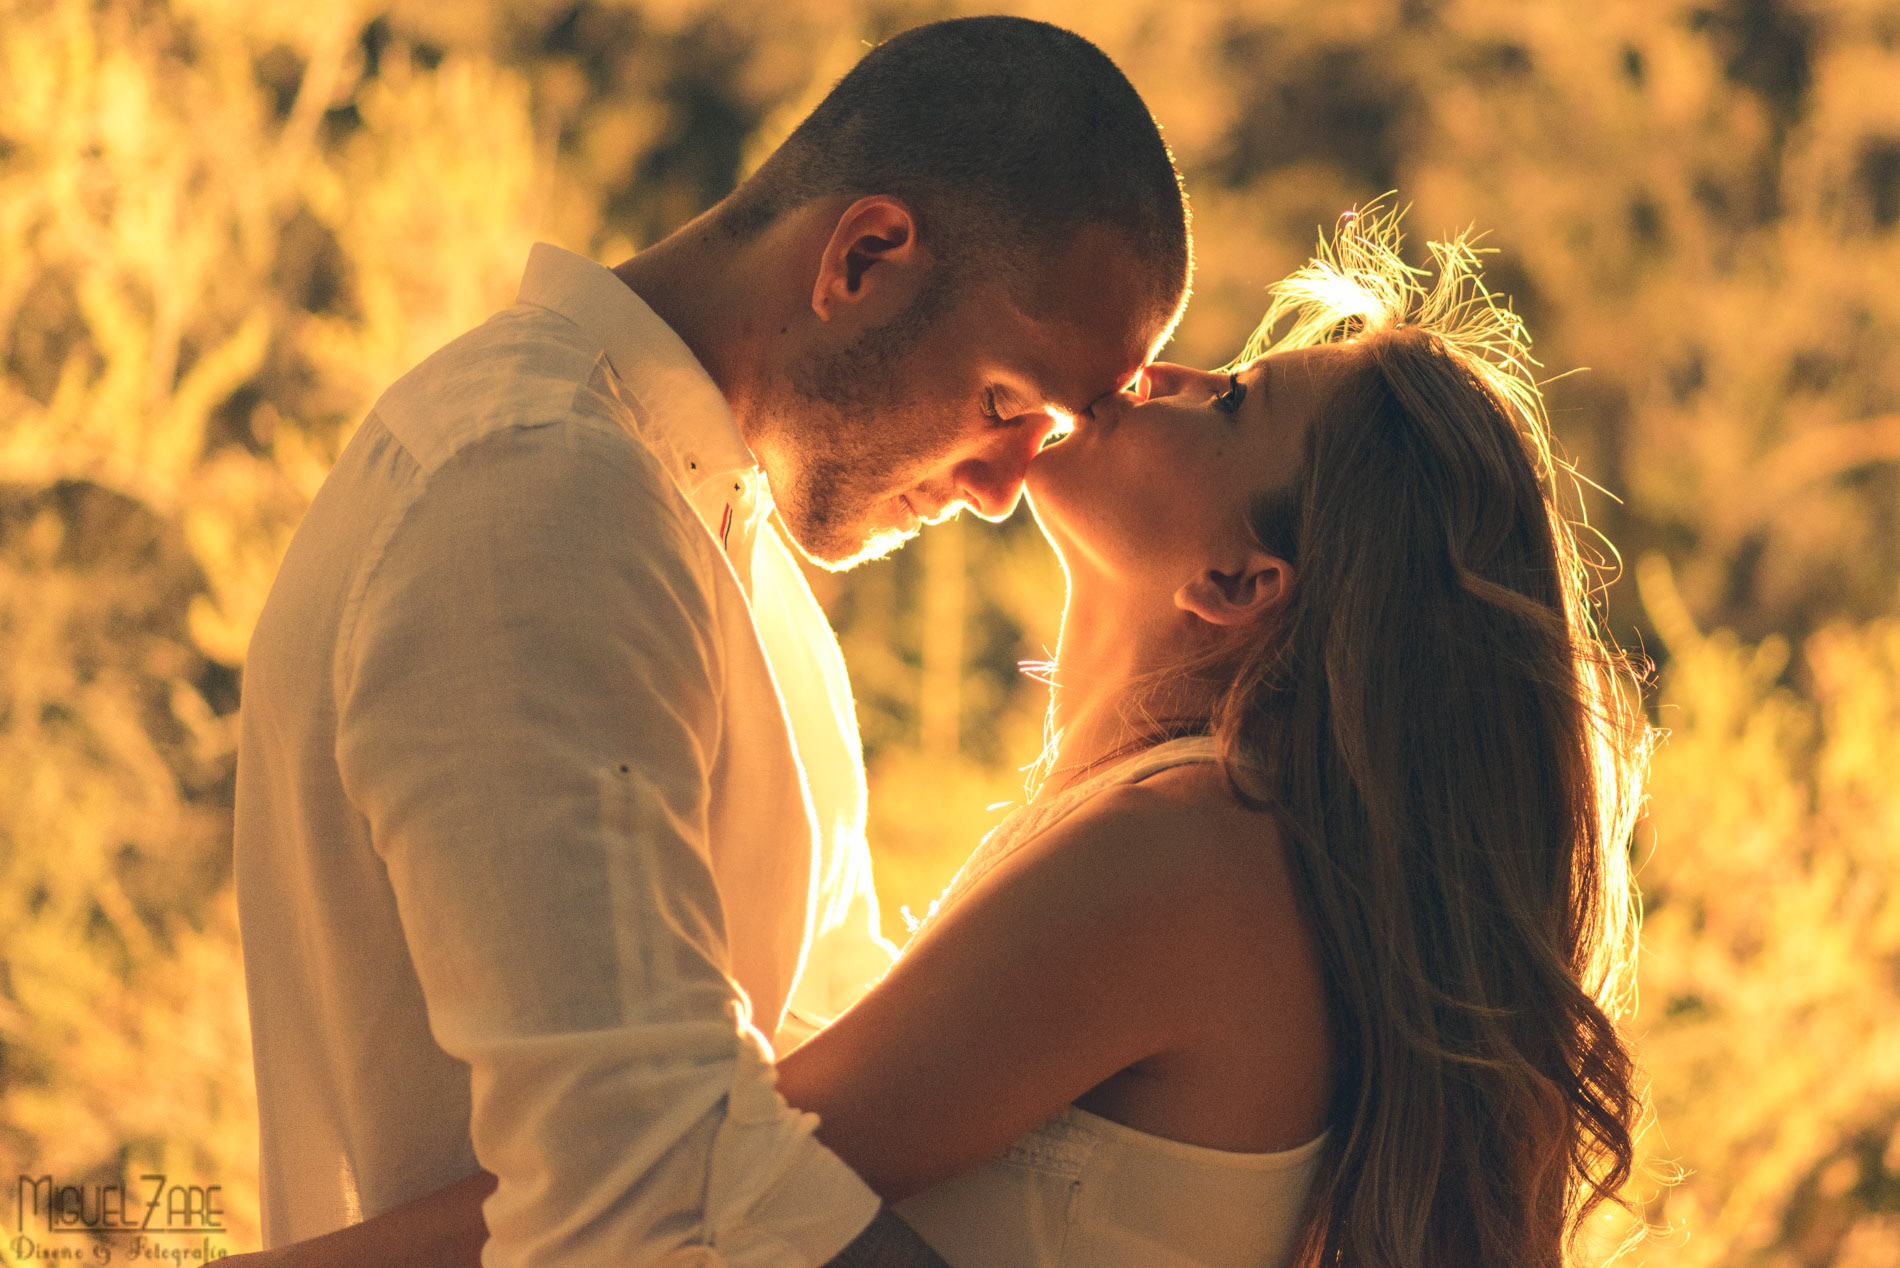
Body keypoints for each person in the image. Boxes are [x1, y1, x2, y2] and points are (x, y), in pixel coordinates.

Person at [237, 205, 1652, 1267]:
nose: (1154, 378)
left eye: (1229, 401)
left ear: (1239, 581)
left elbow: (682, 1186)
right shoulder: (1220, 852)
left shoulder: (1189, 859)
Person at [231, 15, 1188, 1267]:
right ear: (863, 258)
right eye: (1007, 403)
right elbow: (641, 1191)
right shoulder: (535, 493)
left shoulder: (721, 550)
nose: (1007, 490)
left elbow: (823, 1086)